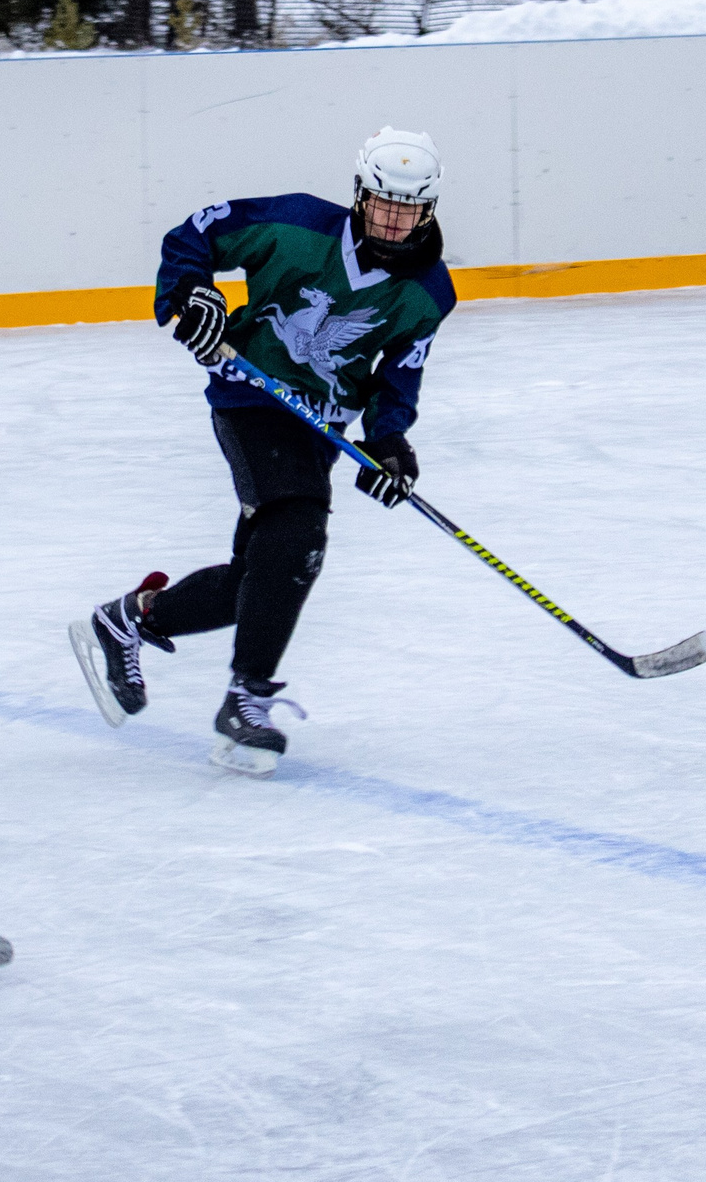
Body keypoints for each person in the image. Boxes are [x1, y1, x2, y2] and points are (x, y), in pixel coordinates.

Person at [71, 128, 458, 776]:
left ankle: (130, 620)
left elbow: (399, 376)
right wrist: (192, 294)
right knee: (301, 532)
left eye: (409, 209)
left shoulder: (429, 292)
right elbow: (193, 236)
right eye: (383, 204)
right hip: (251, 396)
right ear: (360, 196)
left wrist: (389, 442)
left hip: (320, 427)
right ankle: (246, 698)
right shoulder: (295, 224)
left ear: (429, 209)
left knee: (260, 578)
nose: (394, 221)